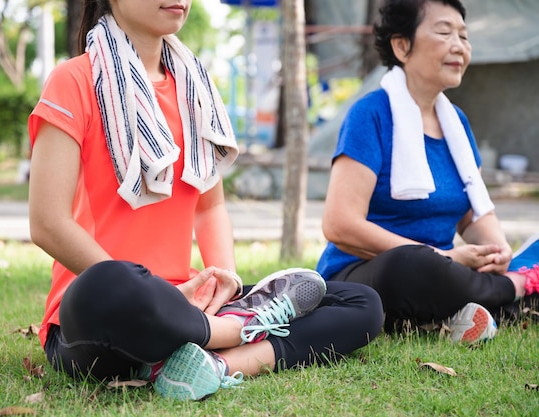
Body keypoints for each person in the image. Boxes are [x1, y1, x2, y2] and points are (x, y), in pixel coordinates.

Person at [28, 0, 384, 401]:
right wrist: (161, 300)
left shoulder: (193, 86)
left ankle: (218, 364)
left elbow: (210, 206)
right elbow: (47, 223)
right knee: (109, 285)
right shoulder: (73, 80)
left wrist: (225, 284)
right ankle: (232, 333)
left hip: (190, 305)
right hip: (103, 318)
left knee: (361, 303)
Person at [316, 0, 539, 343]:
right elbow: (339, 224)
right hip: (372, 274)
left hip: (449, 271)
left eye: (464, 36)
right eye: (444, 32)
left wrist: (497, 250)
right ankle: (514, 291)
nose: (459, 46)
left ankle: (476, 307)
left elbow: (470, 214)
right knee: (409, 264)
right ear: (402, 45)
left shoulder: (457, 123)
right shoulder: (370, 115)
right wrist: (445, 256)